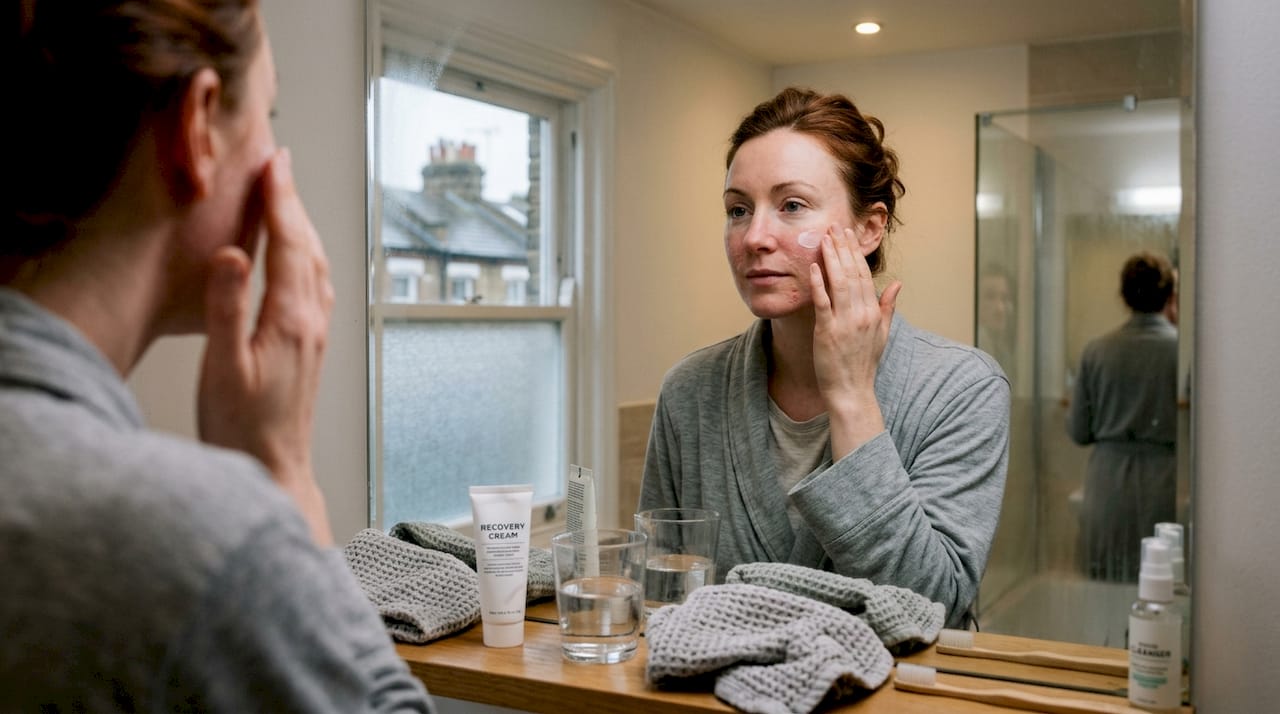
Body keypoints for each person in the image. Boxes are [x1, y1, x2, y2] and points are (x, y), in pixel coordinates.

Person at [2, 2, 432, 710]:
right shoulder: (196, 545)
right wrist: (283, 472)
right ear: (198, 127)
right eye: (271, 112)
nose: (272, 150)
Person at [639, 87, 1010, 628]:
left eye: (791, 205)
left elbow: (934, 606)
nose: (755, 236)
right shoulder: (690, 390)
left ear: (869, 228)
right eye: (737, 210)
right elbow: (662, 598)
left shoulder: (961, 388)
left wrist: (853, 397)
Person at [1068, 251, 1179, 582]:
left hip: (1108, 481)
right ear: (1170, 295)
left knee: (1104, 580)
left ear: (1124, 295)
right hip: (1163, 480)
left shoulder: (1097, 350)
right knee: (1158, 580)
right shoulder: (1181, 350)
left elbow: (1078, 431)